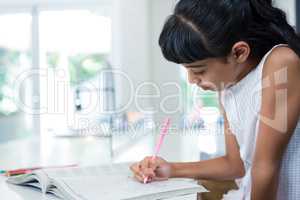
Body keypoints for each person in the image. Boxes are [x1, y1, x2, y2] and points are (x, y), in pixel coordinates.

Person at [130, 0, 300, 199]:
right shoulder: (227, 87)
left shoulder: (280, 63)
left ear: (239, 52)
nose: (192, 80)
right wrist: (170, 169)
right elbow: (235, 164)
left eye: (199, 70)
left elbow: (265, 168)